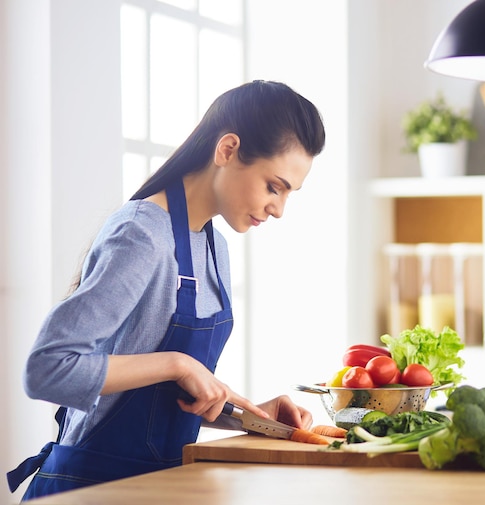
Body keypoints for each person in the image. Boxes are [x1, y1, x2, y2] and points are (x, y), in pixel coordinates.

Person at [7, 80, 326, 501]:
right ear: (227, 150)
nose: (279, 210)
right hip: (89, 489)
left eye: (289, 194)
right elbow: (46, 369)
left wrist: (250, 415)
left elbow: (161, 400)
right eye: (274, 186)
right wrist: (177, 363)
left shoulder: (215, 247)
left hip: (158, 488)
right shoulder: (141, 234)